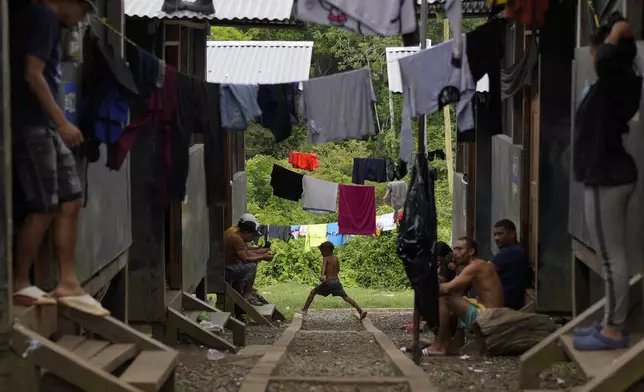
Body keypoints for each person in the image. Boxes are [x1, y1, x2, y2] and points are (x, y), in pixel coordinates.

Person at [10, 0, 108, 315]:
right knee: (44, 205)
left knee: (70, 198)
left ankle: (67, 281)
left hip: (46, 124)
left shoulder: (49, 22)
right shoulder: (42, 17)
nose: (82, 18)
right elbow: (32, 74)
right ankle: (19, 282)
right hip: (31, 124)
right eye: (83, 9)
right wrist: (62, 121)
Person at [572, 15, 641, 351]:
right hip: (608, 174)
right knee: (609, 254)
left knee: (611, 256)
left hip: (607, 177)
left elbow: (607, 60)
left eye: (597, 49)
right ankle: (607, 323)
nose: (594, 55)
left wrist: (614, 32)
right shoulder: (619, 79)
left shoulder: (618, 76)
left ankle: (613, 329)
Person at [425, 237, 504, 355]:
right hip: (489, 312)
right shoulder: (473, 265)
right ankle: (448, 343)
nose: (455, 252)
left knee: (445, 298)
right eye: (454, 248)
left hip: (490, 318)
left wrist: (423, 287)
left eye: (460, 249)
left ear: (471, 251)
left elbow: (447, 288)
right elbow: (458, 292)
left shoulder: (475, 266)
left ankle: (439, 346)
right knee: (455, 298)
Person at [296, 241, 367, 319]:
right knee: (346, 297)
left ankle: (304, 309)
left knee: (312, 292)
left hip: (329, 282)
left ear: (327, 251)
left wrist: (322, 275)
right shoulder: (336, 258)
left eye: (322, 251)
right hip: (336, 282)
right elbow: (338, 269)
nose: (321, 253)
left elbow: (323, 268)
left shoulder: (325, 258)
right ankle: (360, 310)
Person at [224, 214, 273, 306]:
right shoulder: (236, 239)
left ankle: (246, 289)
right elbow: (246, 258)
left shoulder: (236, 236)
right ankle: (248, 295)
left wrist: (261, 253)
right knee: (251, 266)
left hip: (226, 267)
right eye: (252, 235)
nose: (252, 238)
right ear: (246, 232)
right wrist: (263, 256)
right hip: (226, 270)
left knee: (251, 264)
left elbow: (246, 252)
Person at [491, 219, 531, 310]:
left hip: (505, 303)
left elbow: (483, 270)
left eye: (500, 234)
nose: (496, 238)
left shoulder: (510, 252)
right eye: (495, 235)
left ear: (512, 234)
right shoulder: (514, 249)